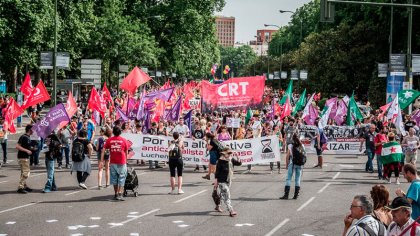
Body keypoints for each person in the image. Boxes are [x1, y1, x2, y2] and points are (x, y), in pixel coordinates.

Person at [103, 126, 129, 201]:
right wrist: (126, 160)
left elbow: (104, 150)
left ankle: (116, 194)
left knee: (114, 178)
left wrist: (102, 160)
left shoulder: (109, 140)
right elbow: (126, 151)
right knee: (121, 177)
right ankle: (120, 194)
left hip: (113, 162)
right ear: (120, 132)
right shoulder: (124, 140)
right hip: (122, 161)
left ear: (113, 132)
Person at [214, 147, 242, 217]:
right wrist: (216, 181)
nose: (229, 155)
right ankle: (231, 210)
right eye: (228, 153)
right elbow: (217, 172)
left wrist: (238, 157)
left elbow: (239, 164)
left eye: (230, 153)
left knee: (222, 194)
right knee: (227, 195)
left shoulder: (231, 159)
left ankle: (218, 205)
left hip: (229, 180)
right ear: (224, 154)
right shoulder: (220, 161)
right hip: (221, 181)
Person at [280, 133, 305, 200]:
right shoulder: (302, 145)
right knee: (297, 179)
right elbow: (304, 155)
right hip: (299, 165)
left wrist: (286, 165)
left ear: (292, 139)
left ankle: (286, 195)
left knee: (288, 178)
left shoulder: (290, 146)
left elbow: (287, 156)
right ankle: (296, 195)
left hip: (292, 164)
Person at [15, 125, 35, 194]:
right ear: (30, 130)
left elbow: (26, 146)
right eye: (33, 129)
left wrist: (32, 148)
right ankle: (20, 187)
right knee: (26, 173)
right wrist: (27, 151)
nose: (34, 131)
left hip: (25, 157)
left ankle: (24, 186)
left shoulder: (28, 137)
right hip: (22, 157)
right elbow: (17, 146)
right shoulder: (24, 137)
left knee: (23, 172)